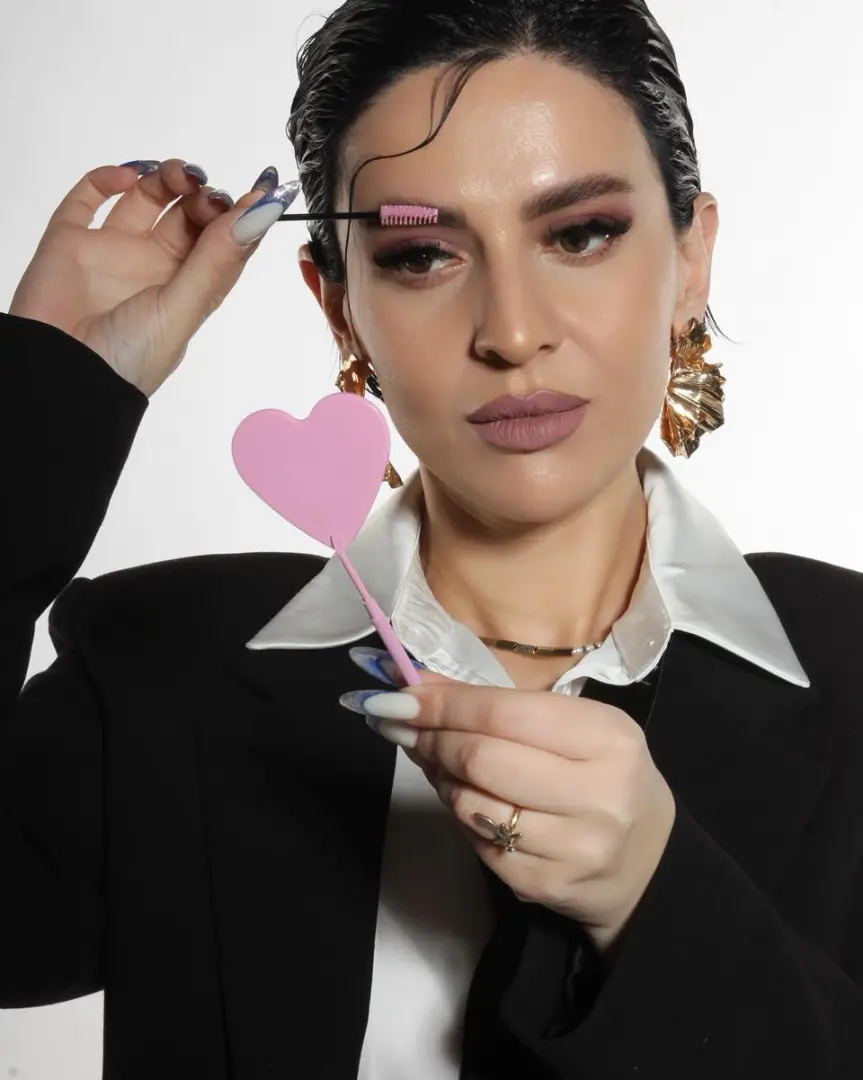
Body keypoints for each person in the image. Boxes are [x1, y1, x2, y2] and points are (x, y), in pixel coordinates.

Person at [2, 0, 863, 1077]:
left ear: (690, 259)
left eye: (579, 233)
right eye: (419, 255)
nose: (511, 331)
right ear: (338, 306)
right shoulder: (161, 667)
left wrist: (655, 897)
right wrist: (42, 399)